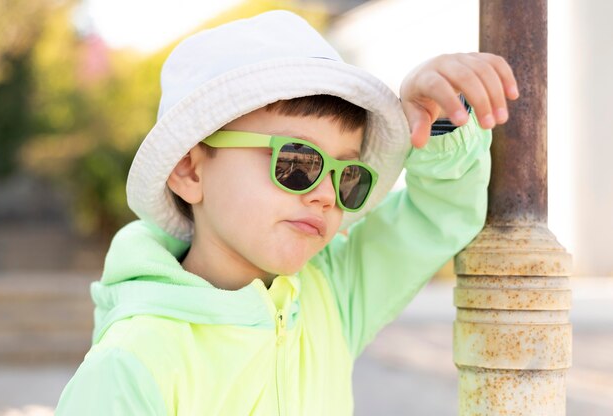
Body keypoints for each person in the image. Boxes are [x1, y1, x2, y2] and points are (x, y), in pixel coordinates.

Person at [55, 10, 518, 415]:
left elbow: (434, 216)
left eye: (346, 175)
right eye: (298, 163)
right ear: (189, 171)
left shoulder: (330, 296)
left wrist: (439, 120)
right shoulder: (132, 365)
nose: (326, 195)